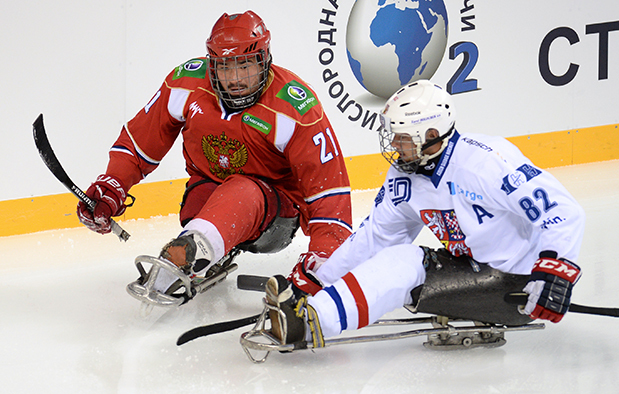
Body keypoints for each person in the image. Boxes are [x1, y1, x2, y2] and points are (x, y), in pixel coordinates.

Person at [265, 80, 586, 347]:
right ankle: (313, 308)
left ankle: (309, 323)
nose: (393, 143)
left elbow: (562, 211)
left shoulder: (488, 163)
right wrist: (319, 280)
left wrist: (553, 275)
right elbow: (376, 239)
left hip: (517, 286)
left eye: (402, 138)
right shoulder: (406, 176)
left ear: (431, 137)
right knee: (395, 258)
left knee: (404, 263)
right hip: (472, 271)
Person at [76, 11, 353, 306]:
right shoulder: (185, 83)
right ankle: (200, 242)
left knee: (241, 189)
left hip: (276, 214)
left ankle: (190, 250)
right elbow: (139, 140)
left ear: (264, 59)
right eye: (224, 67)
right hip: (209, 191)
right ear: (211, 64)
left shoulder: (295, 107)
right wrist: (112, 185)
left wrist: (325, 260)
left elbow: (329, 193)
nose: (235, 79)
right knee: (199, 203)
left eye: (245, 65)